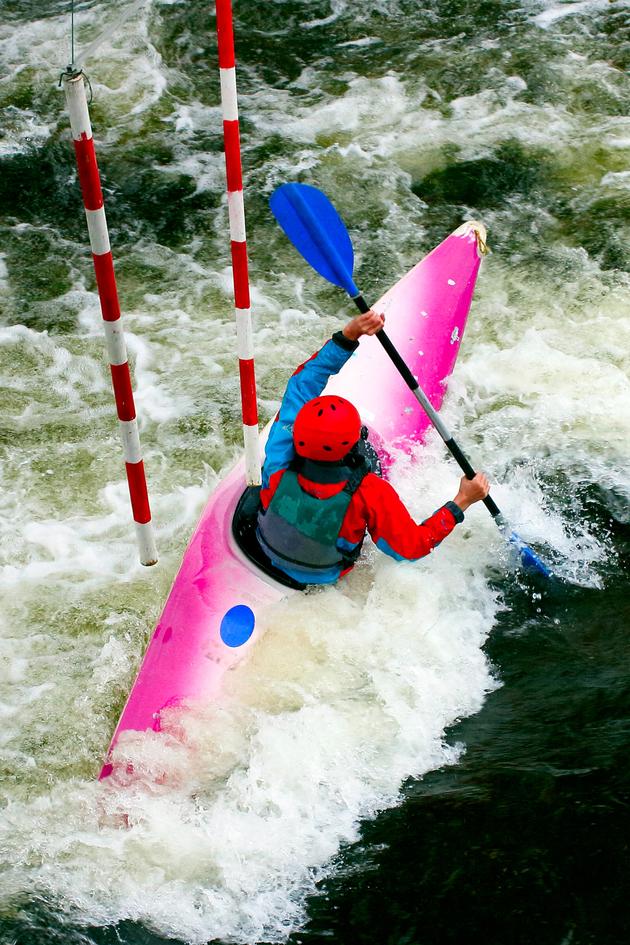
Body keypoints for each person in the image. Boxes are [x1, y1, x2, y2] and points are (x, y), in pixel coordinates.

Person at [256, 310, 490, 585]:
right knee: (371, 459)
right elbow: (411, 548)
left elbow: (301, 383)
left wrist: (348, 336)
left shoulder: (278, 455)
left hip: (269, 552)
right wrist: (462, 500)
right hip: (327, 574)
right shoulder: (370, 491)